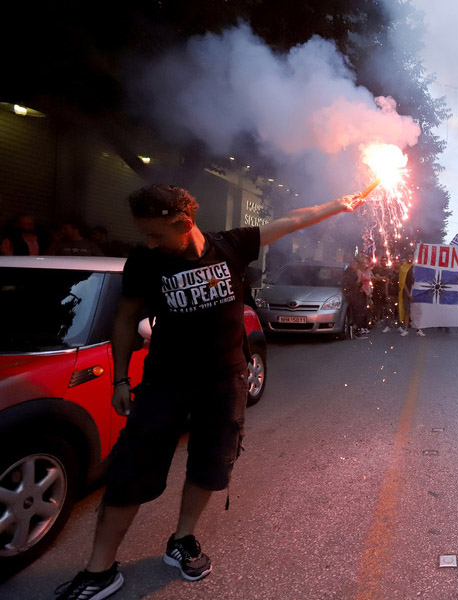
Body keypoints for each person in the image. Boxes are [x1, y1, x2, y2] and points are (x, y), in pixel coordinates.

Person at [54, 184, 362, 600]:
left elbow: (291, 220)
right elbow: (126, 318)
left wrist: (337, 205)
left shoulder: (231, 245)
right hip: (164, 383)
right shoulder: (145, 262)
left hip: (225, 382)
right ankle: (100, 569)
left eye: (156, 234)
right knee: (130, 472)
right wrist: (121, 379)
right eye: (144, 234)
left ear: (184, 223)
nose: (148, 242)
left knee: (210, 467)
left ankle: (183, 539)